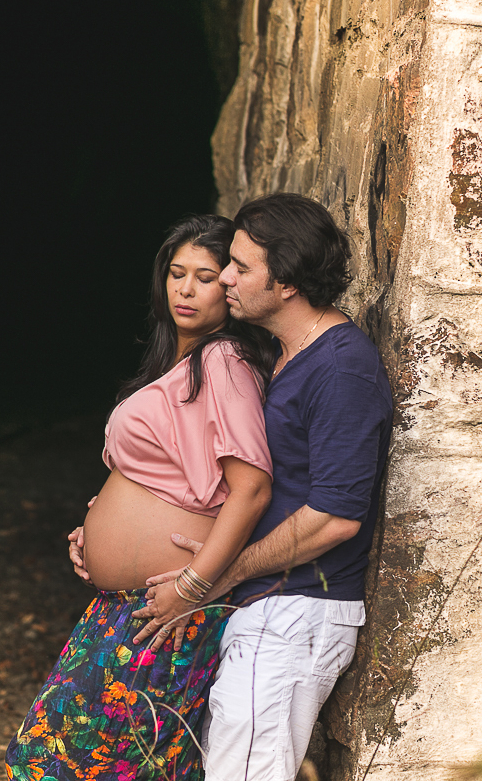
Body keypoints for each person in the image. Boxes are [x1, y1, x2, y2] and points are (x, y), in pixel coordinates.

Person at [130, 193, 393, 781]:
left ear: (288, 282)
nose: (225, 276)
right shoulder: (285, 354)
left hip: (298, 613)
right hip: (267, 608)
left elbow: (334, 516)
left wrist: (221, 574)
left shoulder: (341, 369)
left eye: (241, 268)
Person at [6, 214, 275, 781]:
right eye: (177, 273)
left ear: (230, 284)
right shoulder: (179, 364)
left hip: (169, 611)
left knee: (77, 763)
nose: (186, 288)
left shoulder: (223, 362)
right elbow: (165, 477)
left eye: (206, 276)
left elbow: (250, 489)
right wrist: (96, 531)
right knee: (76, 759)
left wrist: (194, 585)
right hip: (131, 606)